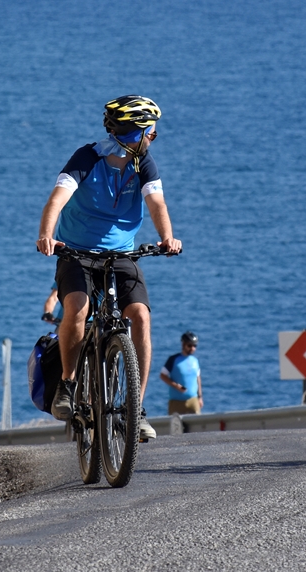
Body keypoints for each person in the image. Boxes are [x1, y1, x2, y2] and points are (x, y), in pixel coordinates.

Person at [36, 95, 182, 440]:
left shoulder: (143, 162)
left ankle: (136, 409)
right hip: (76, 253)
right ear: (134, 133)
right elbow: (57, 199)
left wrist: (168, 237)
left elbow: (156, 202)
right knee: (77, 307)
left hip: (122, 256)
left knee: (141, 317)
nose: (153, 139)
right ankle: (69, 386)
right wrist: (46, 235)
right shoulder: (87, 157)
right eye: (151, 133)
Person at [160, 331, 203, 415]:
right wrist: (176, 386)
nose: (192, 348)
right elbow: (163, 375)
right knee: (175, 426)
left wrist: (200, 397)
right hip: (176, 402)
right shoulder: (173, 359)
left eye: (194, 346)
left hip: (193, 400)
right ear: (183, 344)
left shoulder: (195, 361)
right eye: (189, 345)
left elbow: (198, 378)